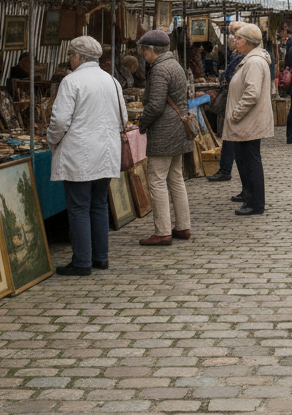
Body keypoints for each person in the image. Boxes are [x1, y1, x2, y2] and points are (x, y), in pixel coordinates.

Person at [46, 35, 126, 275]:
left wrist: (51, 139)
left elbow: (60, 121)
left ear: (78, 57)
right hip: (105, 151)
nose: (70, 60)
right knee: (99, 204)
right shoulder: (112, 80)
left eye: (71, 55)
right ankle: (100, 257)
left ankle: (82, 262)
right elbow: (123, 118)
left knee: (79, 207)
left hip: (80, 152)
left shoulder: (72, 81)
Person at [134, 30, 193, 246]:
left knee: (157, 180)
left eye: (144, 50)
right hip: (177, 128)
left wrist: (142, 123)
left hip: (164, 131)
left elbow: (156, 105)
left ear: (151, 49)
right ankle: (183, 226)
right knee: (176, 178)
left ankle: (162, 231)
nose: (143, 54)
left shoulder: (159, 69)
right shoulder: (174, 64)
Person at [223, 24, 272, 216]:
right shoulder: (250, 59)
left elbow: (252, 93)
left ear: (248, 41)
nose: (235, 41)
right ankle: (250, 197)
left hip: (248, 120)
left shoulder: (254, 62)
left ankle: (256, 203)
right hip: (247, 120)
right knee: (246, 160)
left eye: (238, 38)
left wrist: (236, 113)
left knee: (251, 161)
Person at [209, 22, 244, 183]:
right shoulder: (238, 54)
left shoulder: (240, 56)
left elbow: (230, 76)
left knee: (231, 136)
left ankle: (225, 169)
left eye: (234, 36)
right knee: (231, 137)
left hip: (235, 100)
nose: (232, 39)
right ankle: (225, 168)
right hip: (235, 99)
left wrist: (223, 75)